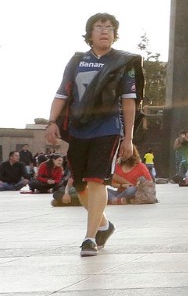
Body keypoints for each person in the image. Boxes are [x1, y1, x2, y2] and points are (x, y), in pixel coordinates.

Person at [43, 13, 143, 257]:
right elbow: (62, 94)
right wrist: (51, 122)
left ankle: (89, 238)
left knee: (97, 180)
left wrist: (128, 138)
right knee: (80, 185)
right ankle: (104, 225)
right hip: (78, 128)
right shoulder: (77, 61)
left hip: (108, 128)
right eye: (99, 27)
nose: (104, 31)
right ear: (90, 33)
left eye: (109, 27)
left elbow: (129, 102)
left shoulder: (123, 62)